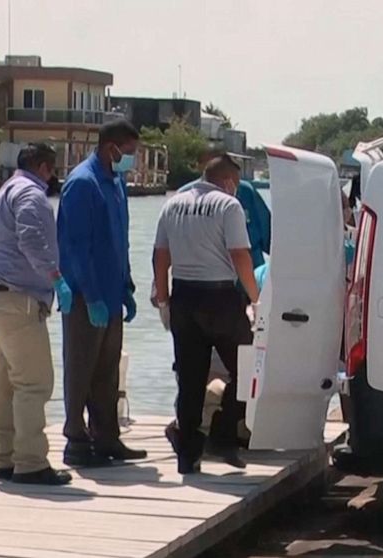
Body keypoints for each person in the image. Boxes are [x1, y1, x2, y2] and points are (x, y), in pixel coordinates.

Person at [153, 154, 260, 474]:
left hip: (184, 296)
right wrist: (256, 298)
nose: (236, 190)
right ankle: (224, 434)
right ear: (228, 181)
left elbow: (160, 256)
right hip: (221, 298)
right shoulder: (228, 206)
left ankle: (188, 453)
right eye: (236, 185)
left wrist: (162, 299)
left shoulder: (173, 204)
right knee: (248, 368)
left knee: (190, 379)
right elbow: (240, 255)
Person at [0, 143, 73, 485]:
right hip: (20, 299)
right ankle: (31, 462)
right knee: (34, 383)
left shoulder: (4, 191)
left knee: (2, 383)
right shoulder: (31, 195)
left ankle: (3, 457)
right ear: (43, 167)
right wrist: (56, 279)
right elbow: (33, 240)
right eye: (53, 168)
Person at [57, 120, 147, 467]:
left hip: (111, 293)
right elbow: (76, 247)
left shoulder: (115, 182)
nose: (132, 159)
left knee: (107, 370)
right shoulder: (83, 183)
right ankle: (76, 440)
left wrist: (126, 286)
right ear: (112, 148)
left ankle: (106, 437)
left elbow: (119, 239)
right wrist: (91, 295)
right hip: (86, 296)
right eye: (129, 152)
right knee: (81, 368)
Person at [178, 149, 271, 269]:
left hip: (250, 273)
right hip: (205, 276)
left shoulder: (246, 192)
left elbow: (271, 240)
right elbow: (167, 249)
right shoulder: (183, 197)